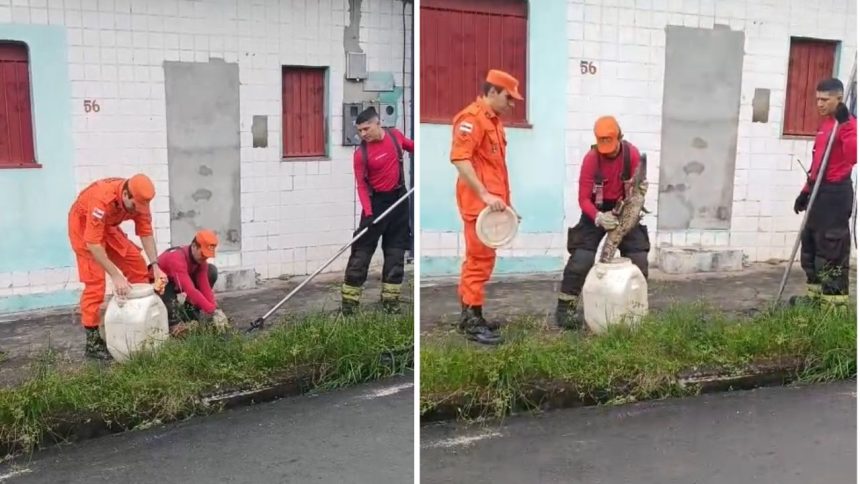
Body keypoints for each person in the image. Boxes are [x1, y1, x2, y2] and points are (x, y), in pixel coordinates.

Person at [450, 69, 523, 345]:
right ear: (492, 92)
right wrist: (483, 195)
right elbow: (460, 159)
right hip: (478, 206)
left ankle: (471, 313)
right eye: (509, 97)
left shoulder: (494, 122)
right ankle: (471, 320)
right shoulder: (471, 119)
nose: (512, 104)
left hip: (493, 208)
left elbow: (497, 171)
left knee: (481, 260)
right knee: (478, 261)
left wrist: (508, 209)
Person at [556, 116, 650, 329]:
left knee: (638, 257)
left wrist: (640, 193)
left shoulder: (632, 154)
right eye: (602, 145)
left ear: (620, 137)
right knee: (582, 258)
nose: (606, 151)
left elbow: (638, 185)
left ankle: (635, 309)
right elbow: (583, 199)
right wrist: (598, 217)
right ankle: (565, 310)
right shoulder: (591, 159)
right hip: (596, 210)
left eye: (610, 144)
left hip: (624, 207)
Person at [67, 174, 166, 360]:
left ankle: (137, 320)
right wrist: (115, 274)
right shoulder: (101, 199)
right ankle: (93, 342)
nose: (139, 211)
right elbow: (93, 244)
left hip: (107, 226)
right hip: (83, 227)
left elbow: (146, 232)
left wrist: (156, 266)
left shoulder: (140, 200)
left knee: (137, 264)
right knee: (95, 284)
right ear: (126, 195)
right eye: (135, 207)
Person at [341, 107, 414, 315]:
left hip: (399, 200)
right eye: (360, 131)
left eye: (366, 129)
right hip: (375, 205)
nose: (363, 134)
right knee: (361, 252)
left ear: (378, 123)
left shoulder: (395, 137)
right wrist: (369, 213)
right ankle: (349, 303)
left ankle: (390, 301)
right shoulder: (360, 154)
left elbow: (413, 147)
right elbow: (362, 187)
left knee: (396, 251)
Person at [792, 77, 856, 308]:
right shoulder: (826, 124)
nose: (819, 104)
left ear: (839, 99)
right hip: (818, 192)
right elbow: (817, 164)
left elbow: (853, 157)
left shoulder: (848, 124)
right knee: (810, 247)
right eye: (817, 99)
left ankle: (833, 307)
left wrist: (847, 124)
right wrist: (805, 191)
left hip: (835, 194)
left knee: (831, 250)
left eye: (824, 100)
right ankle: (815, 300)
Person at [155, 230, 223, 335]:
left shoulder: (200, 260)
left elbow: (204, 286)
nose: (205, 258)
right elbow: (190, 290)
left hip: (177, 281)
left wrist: (215, 308)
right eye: (203, 254)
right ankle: (173, 322)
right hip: (159, 284)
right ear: (194, 246)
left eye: (207, 255)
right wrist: (211, 310)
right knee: (164, 282)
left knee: (211, 271)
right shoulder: (176, 258)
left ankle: (190, 309)